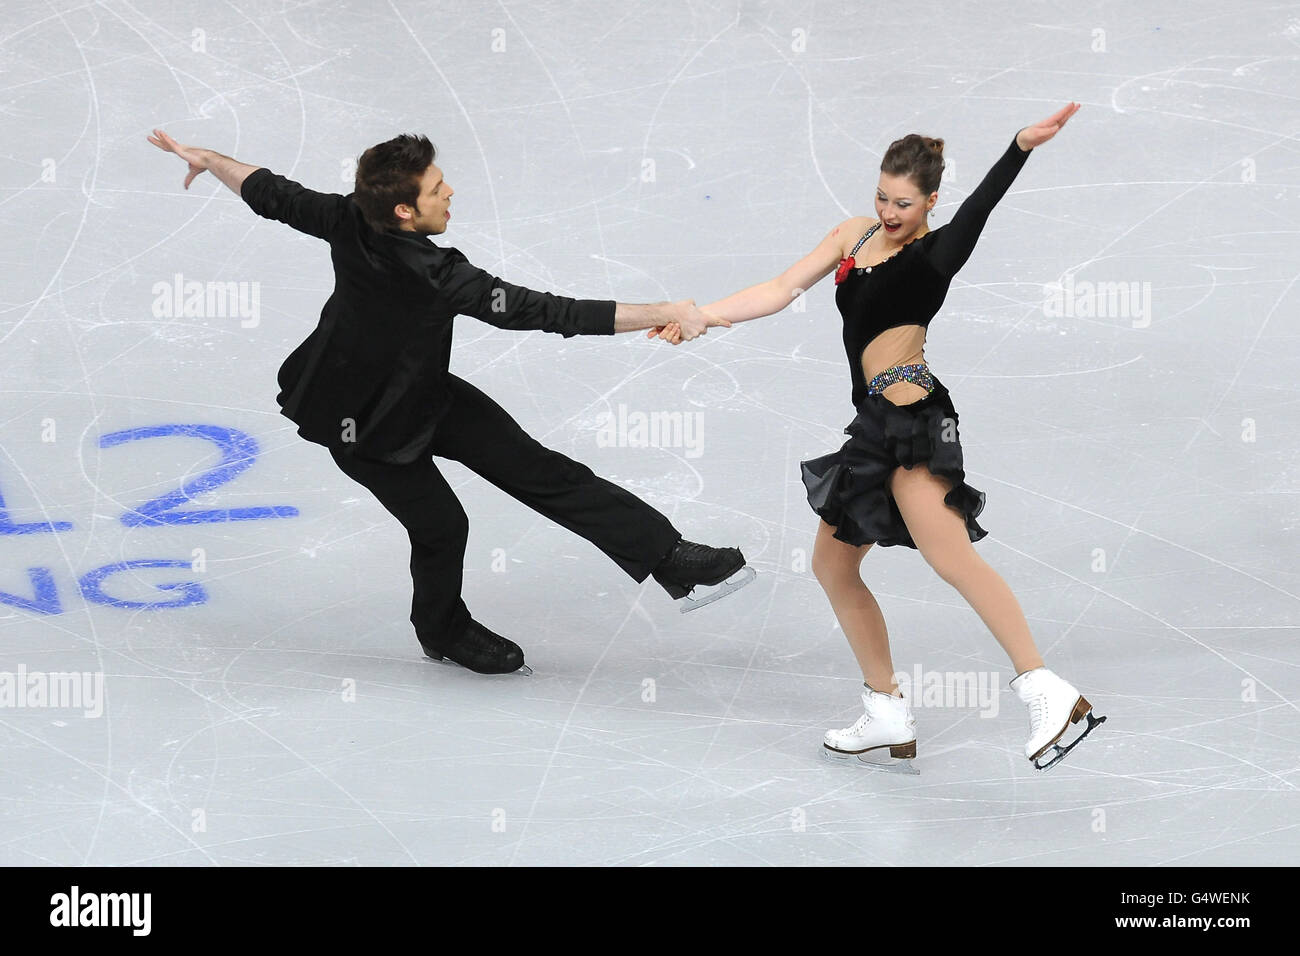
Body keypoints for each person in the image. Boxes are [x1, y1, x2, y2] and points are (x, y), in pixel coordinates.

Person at [147, 130, 755, 676]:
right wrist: (666, 311)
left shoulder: (351, 216)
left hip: (426, 393)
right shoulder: (435, 272)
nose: (451, 192)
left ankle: (669, 557)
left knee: (542, 471)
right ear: (405, 211)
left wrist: (208, 158)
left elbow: (269, 190)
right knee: (442, 525)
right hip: (362, 425)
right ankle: (442, 630)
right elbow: (549, 313)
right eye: (438, 188)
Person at [653, 104, 1105, 770]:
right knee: (833, 565)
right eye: (882, 197)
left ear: (928, 202)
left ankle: (1044, 687)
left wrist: (1018, 147)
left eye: (904, 203)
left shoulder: (933, 256)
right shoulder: (855, 236)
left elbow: (982, 207)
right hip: (873, 425)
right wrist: (703, 316)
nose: (890, 211)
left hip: (916, 423)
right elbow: (780, 288)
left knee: (951, 559)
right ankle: (886, 708)